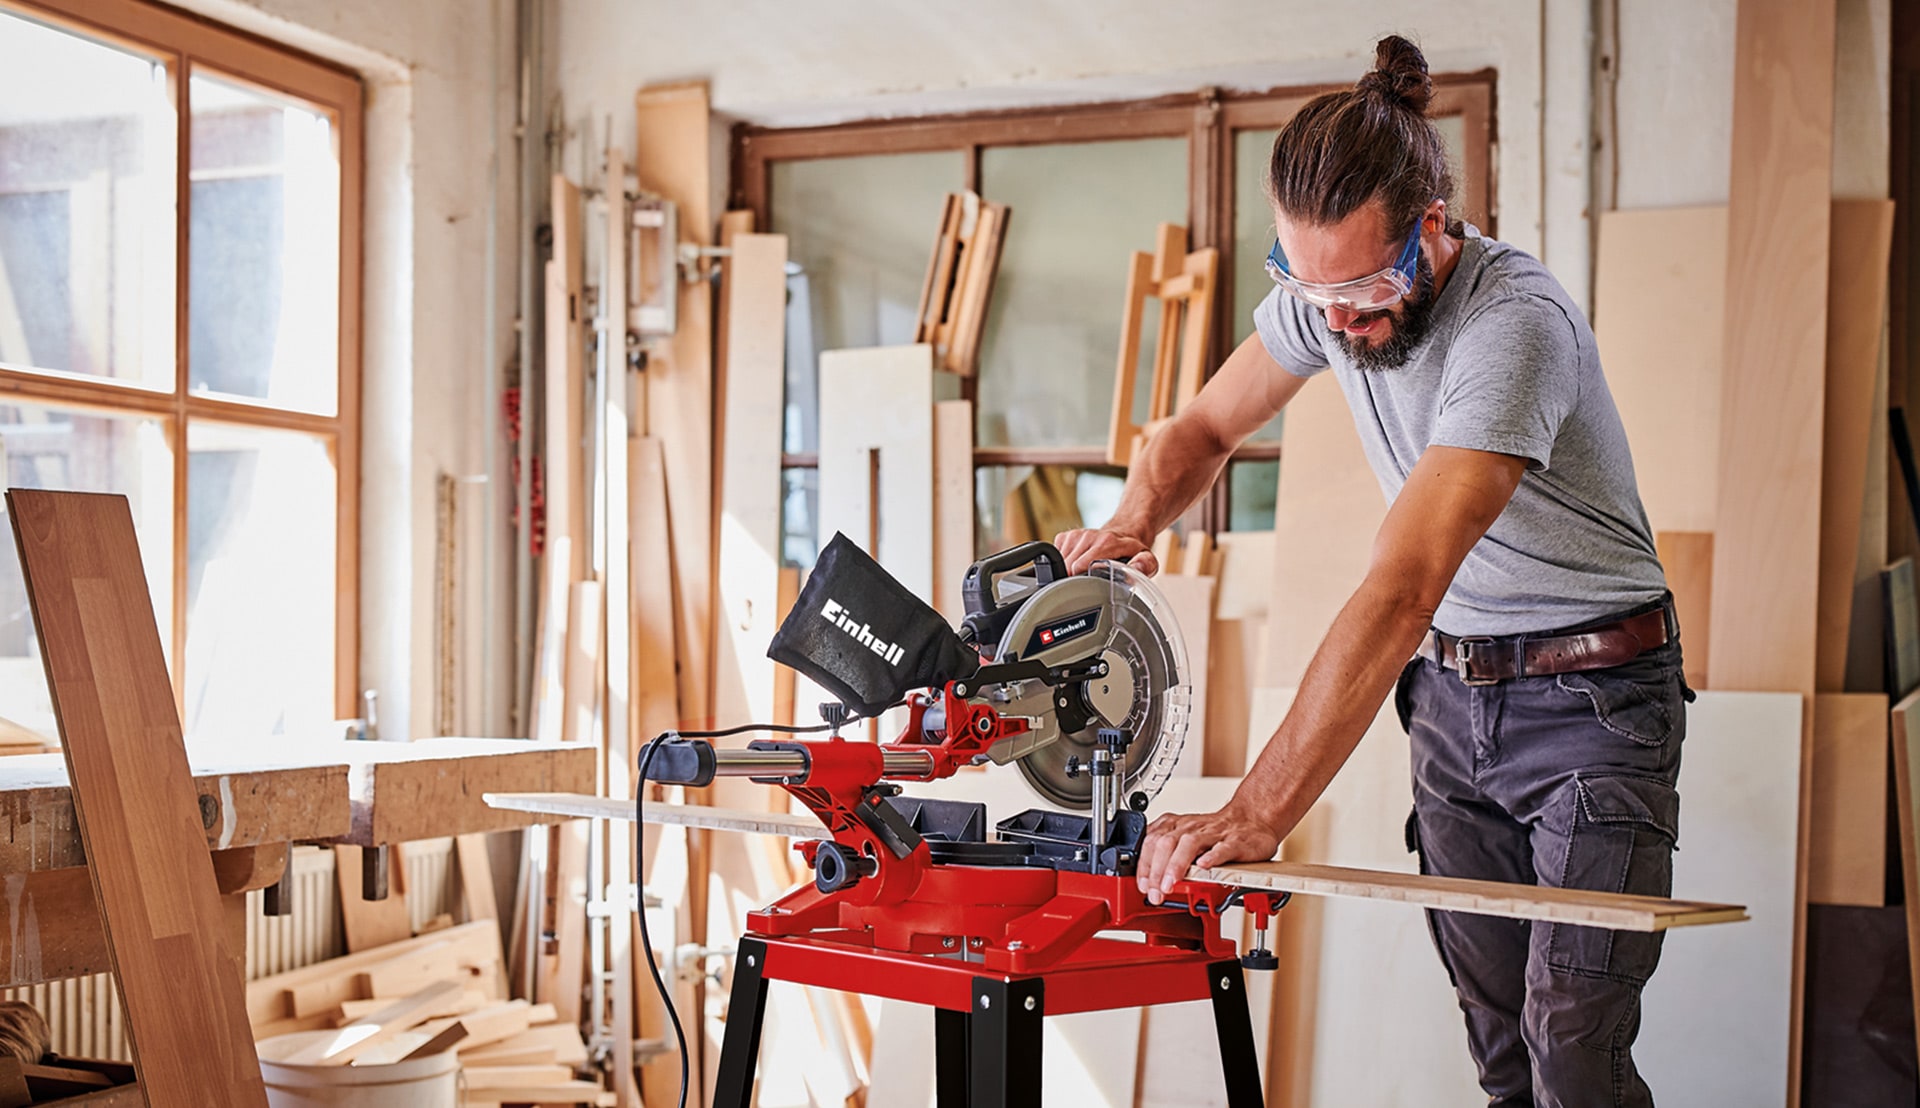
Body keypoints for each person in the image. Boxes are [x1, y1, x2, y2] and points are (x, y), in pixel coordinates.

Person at [1054, 34, 1687, 1108]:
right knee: (1499, 1050)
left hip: (1591, 704)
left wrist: (1256, 810)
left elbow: (1401, 588)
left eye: (1363, 291)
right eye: (1311, 293)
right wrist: (1127, 522)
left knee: (1572, 1051)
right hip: (1449, 703)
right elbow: (1202, 425)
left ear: (1433, 228)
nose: (1338, 324)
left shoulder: (1512, 325)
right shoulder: (1325, 295)